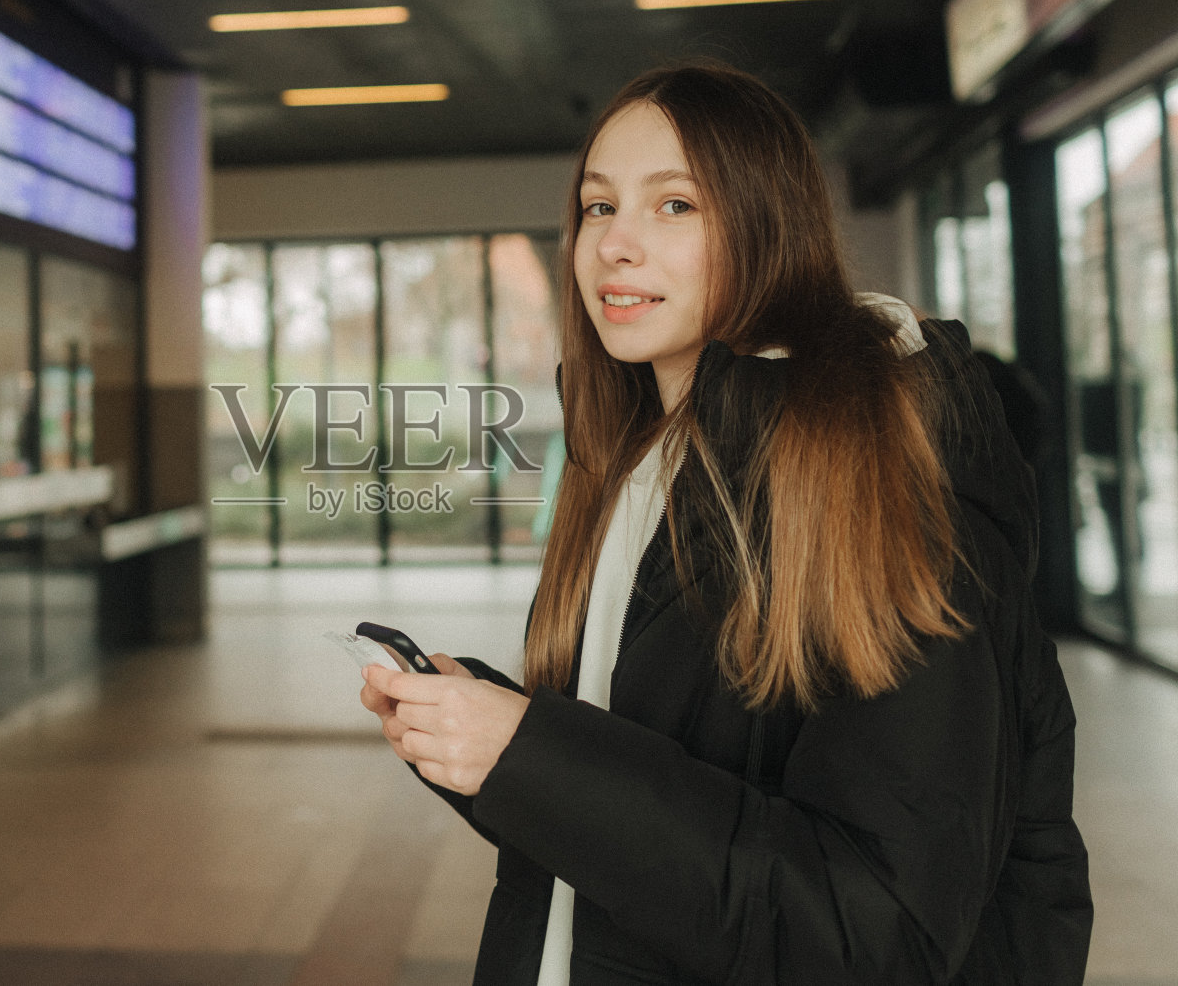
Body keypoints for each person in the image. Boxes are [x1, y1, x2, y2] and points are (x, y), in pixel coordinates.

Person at [359, 62, 1092, 984]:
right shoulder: (639, 463)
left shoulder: (867, 472)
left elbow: (876, 929)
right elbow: (667, 795)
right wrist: (491, 742)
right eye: (597, 207)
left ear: (765, 225)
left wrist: (531, 754)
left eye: (675, 207)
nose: (615, 246)